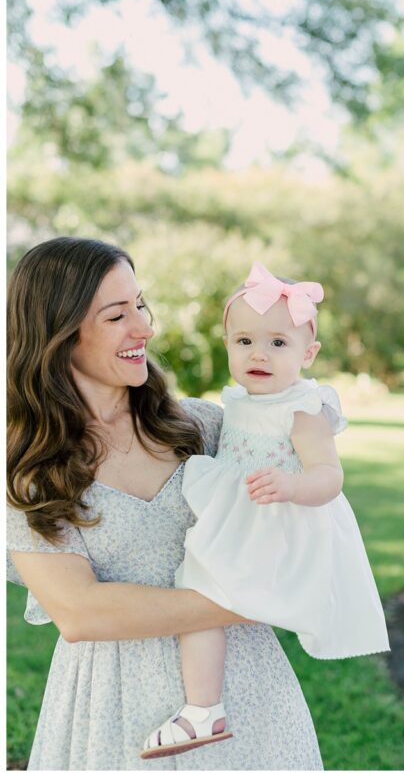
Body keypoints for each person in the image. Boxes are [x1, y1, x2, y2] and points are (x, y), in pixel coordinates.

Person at [6, 237, 323, 769]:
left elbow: (304, 516)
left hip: (247, 694)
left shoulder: (205, 427)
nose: (145, 329)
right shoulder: (28, 468)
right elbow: (79, 612)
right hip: (112, 709)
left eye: (140, 305)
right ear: (58, 333)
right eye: (115, 316)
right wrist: (258, 598)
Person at [141, 262, 389, 758]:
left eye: (279, 343)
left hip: (278, 522)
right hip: (241, 518)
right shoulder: (236, 400)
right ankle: (204, 707)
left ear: (308, 353)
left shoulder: (303, 408)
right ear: (228, 345)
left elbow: (329, 477)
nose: (260, 353)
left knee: (198, 592)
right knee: (195, 592)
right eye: (245, 341)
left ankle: (201, 709)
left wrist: (292, 486)